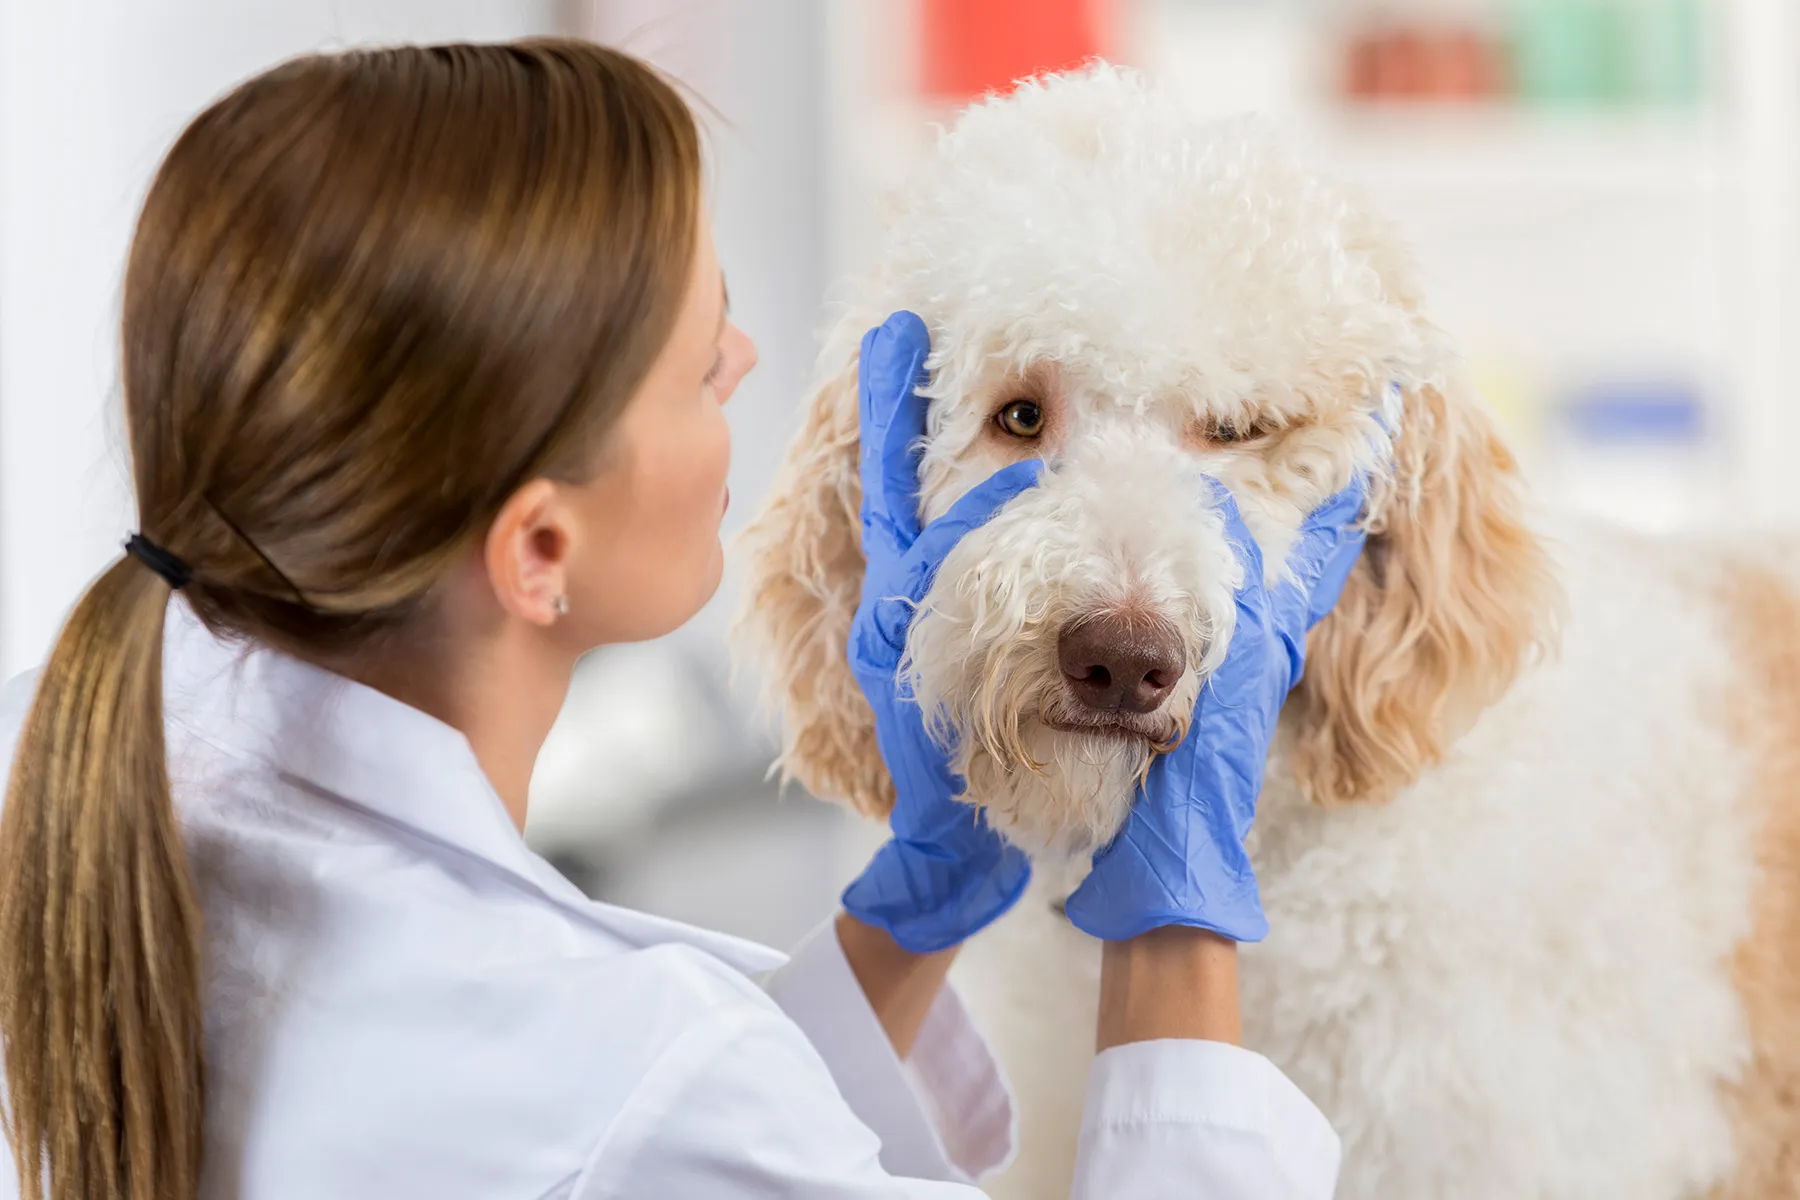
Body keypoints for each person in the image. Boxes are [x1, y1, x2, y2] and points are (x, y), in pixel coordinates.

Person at [0, 40, 1372, 1200]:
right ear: (541, 546)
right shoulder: (637, 1072)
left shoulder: (86, 785)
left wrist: (916, 904)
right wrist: (1178, 923)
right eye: (692, 361)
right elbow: (651, 1125)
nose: (745, 358)